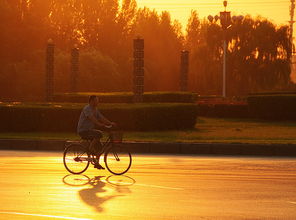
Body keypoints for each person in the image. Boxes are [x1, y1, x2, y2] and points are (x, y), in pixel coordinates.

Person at [77, 95, 116, 169]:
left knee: (100, 147)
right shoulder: (87, 109)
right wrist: (100, 124)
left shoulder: (95, 109)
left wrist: (110, 123)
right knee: (98, 134)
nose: (97, 102)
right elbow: (92, 118)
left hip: (89, 130)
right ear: (91, 101)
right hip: (83, 130)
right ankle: (90, 148)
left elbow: (101, 117)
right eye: (96, 101)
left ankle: (97, 163)